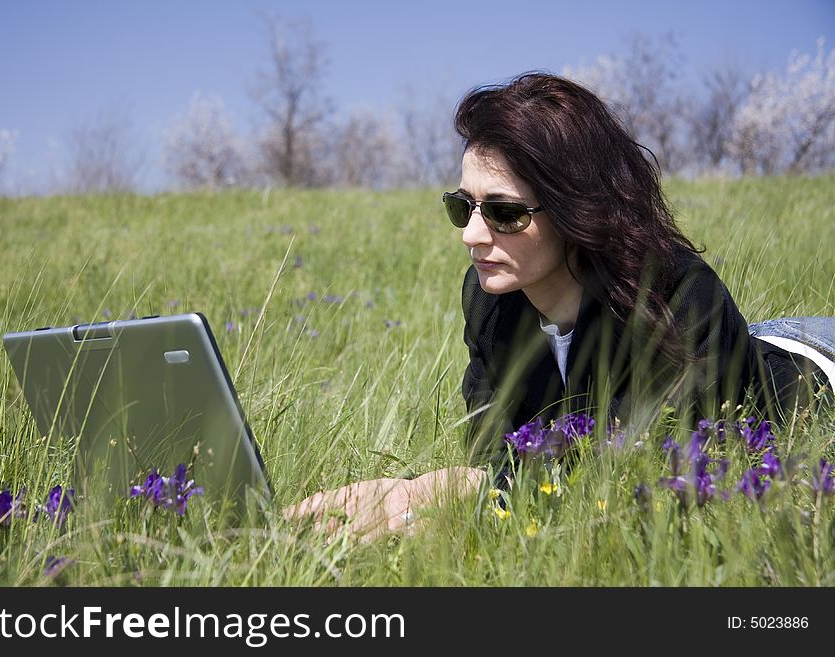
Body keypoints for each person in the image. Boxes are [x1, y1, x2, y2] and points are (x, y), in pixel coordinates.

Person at [284, 72, 834, 541]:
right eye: (462, 206)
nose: (471, 235)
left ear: (577, 209)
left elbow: (640, 472)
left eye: (504, 213)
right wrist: (417, 491)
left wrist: (457, 495)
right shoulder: (488, 302)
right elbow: (497, 450)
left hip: (812, 362)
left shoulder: (679, 299)